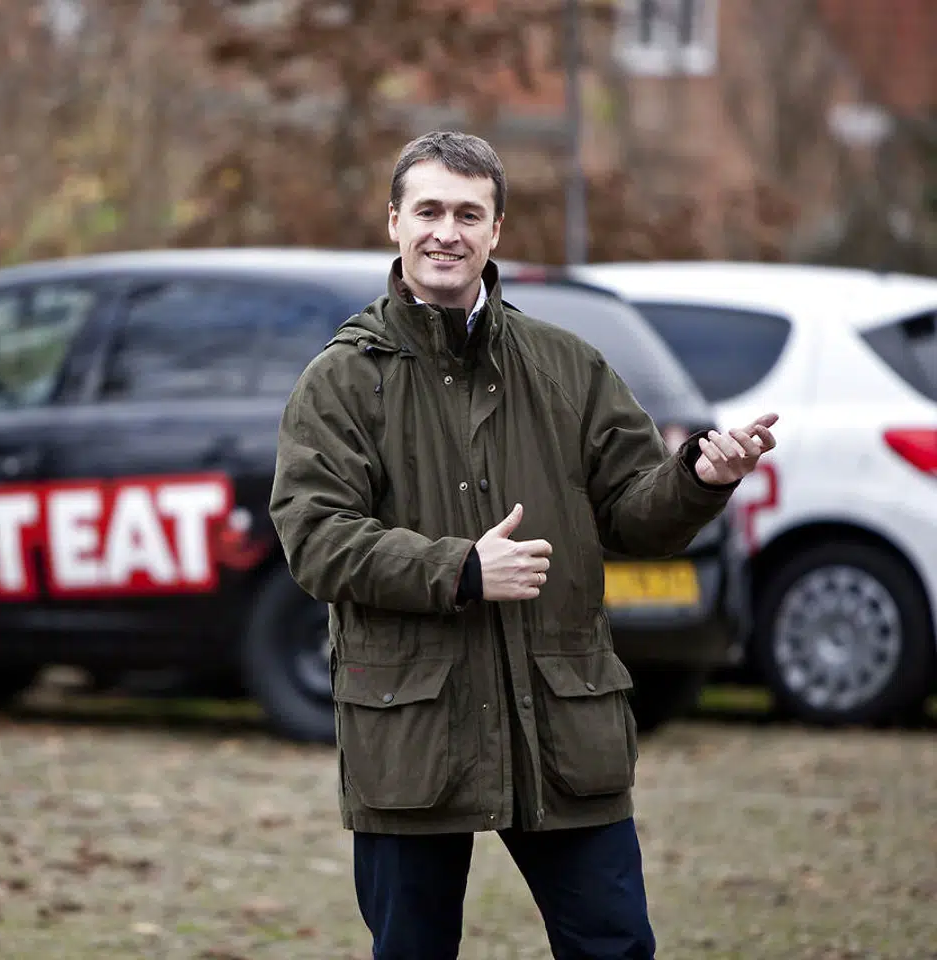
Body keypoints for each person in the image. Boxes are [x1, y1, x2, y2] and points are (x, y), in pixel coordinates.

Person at [267, 130, 778, 959]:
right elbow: (315, 537)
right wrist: (459, 568)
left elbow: (635, 514)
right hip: (413, 736)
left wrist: (699, 479)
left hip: (563, 727)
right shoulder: (343, 378)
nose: (447, 232)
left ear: (496, 231)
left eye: (469, 214)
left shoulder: (567, 366)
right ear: (393, 221)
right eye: (428, 210)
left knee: (615, 948)